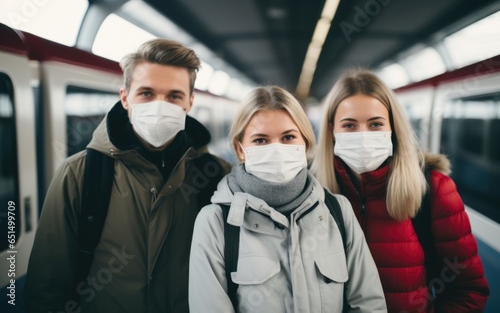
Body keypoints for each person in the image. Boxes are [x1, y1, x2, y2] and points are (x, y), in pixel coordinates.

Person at [24, 39, 231, 312]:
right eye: (146, 93)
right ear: (125, 98)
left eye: (174, 96)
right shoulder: (79, 175)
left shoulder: (218, 176)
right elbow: (47, 286)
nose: (160, 106)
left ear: (189, 102)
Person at [189, 85, 387, 312]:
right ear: (240, 149)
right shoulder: (214, 223)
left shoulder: (338, 212)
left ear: (305, 143)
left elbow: (369, 303)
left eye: (288, 137)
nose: (276, 149)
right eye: (261, 140)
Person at [310, 68, 490, 312]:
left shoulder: (433, 189)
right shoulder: (311, 192)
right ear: (332, 130)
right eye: (350, 125)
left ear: (392, 128)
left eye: (375, 124)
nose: (363, 135)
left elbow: (468, 291)